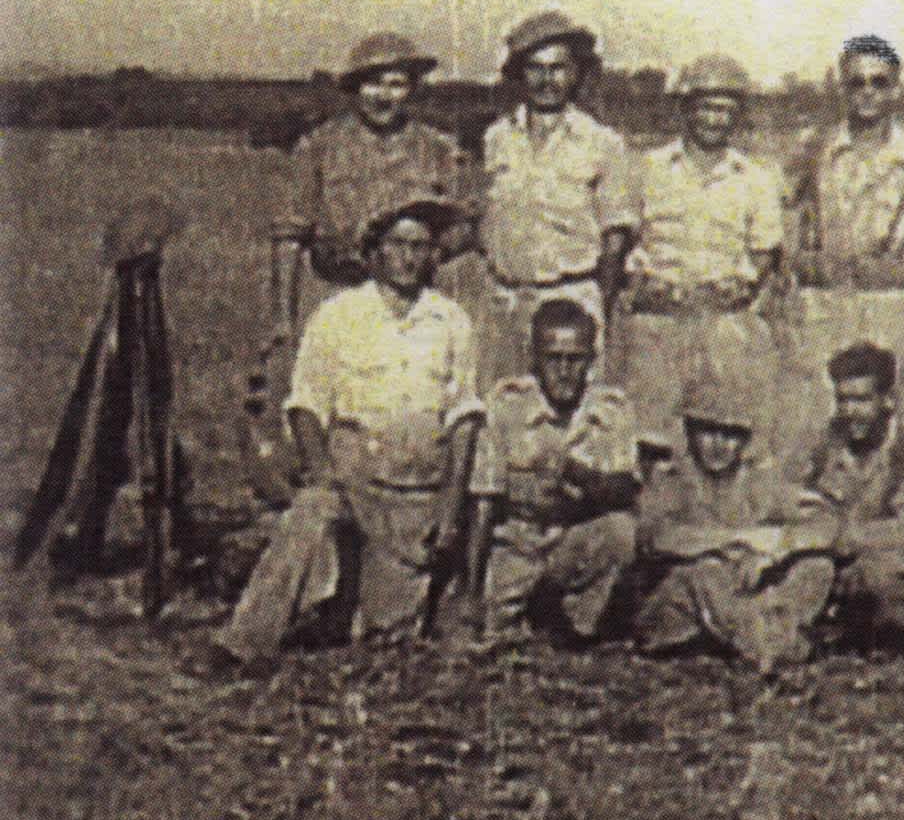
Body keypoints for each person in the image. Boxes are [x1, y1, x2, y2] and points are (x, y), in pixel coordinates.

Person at [216, 200, 483, 672]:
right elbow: (305, 406)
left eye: (420, 247)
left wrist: (449, 506)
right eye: (398, 244)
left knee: (386, 634)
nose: (408, 257)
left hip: (414, 488)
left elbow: (463, 420)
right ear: (376, 252)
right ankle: (243, 642)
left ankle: (344, 607)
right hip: (351, 471)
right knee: (311, 513)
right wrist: (323, 475)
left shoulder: (451, 321)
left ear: (433, 256)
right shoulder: (338, 315)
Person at [786, 35, 904, 398]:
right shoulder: (814, 147)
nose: (868, 92)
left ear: (896, 89)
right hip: (822, 305)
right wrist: (792, 264)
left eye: (879, 82)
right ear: (842, 89)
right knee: (821, 408)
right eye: (856, 83)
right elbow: (769, 205)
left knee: (889, 408)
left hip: (889, 304)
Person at [623, 56, 787, 449]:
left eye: (726, 110)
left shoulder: (755, 178)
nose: (715, 120)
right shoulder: (649, 168)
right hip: (658, 318)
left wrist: (741, 287)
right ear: (686, 109)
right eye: (706, 108)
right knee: (651, 435)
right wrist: (641, 284)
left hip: (724, 321)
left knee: (722, 433)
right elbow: (626, 236)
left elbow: (764, 250)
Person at [270, 33, 476, 336]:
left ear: (412, 89)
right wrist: (282, 323)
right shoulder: (318, 146)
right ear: (355, 87)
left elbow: (467, 224)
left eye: (396, 84)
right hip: (338, 295)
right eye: (373, 84)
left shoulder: (437, 149)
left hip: (413, 307)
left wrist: (429, 255)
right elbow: (288, 238)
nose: (383, 96)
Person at [475, 9, 639, 390]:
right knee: (504, 406)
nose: (546, 80)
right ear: (519, 74)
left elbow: (615, 240)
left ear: (576, 73)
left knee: (573, 410)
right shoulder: (497, 138)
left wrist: (596, 312)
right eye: (535, 68)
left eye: (558, 68)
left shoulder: (602, 143)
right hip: (506, 303)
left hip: (571, 303)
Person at [462, 298, 640, 645]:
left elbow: (625, 490)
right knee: (492, 633)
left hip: (573, 546)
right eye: (553, 358)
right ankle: (528, 614)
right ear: (534, 359)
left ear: (592, 359)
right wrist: (471, 591)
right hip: (517, 545)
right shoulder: (507, 406)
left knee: (621, 532)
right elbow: (484, 502)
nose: (564, 371)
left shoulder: (611, 410)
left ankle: (577, 625)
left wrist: (576, 474)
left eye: (575, 359)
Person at [633, 371, 833, 677]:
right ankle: (768, 644)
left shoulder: (756, 483)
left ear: (745, 439)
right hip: (675, 614)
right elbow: (657, 537)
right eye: (708, 431)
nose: (719, 444)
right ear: (690, 431)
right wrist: (737, 542)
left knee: (817, 566)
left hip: (738, 597)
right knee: (707, 570)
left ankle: (772, 632)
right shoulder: (671, 479)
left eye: (730, 434)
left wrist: (777, 547)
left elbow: (826, 524)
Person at [789, 340, 904, 649]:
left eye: (861, 400)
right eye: (842, 399)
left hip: (883, 567)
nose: (849, 411)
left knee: (882, 577)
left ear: (887, 400)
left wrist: (842, 536)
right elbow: (788, 496)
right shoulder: (824, 444)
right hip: (828, 565)